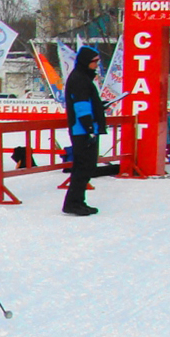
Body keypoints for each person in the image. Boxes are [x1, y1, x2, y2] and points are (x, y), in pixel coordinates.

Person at [63, 46, 107, 216]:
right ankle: (73, 203)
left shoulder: (83, 78)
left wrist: (98, 107)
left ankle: (78, 201)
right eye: (94, 62)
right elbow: (81, 106)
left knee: (86, 168)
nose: (97, 65)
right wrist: (89, 128)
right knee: (83, 167)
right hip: (82, 130)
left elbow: (87, 102)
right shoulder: (80, 79)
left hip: (85, 129)